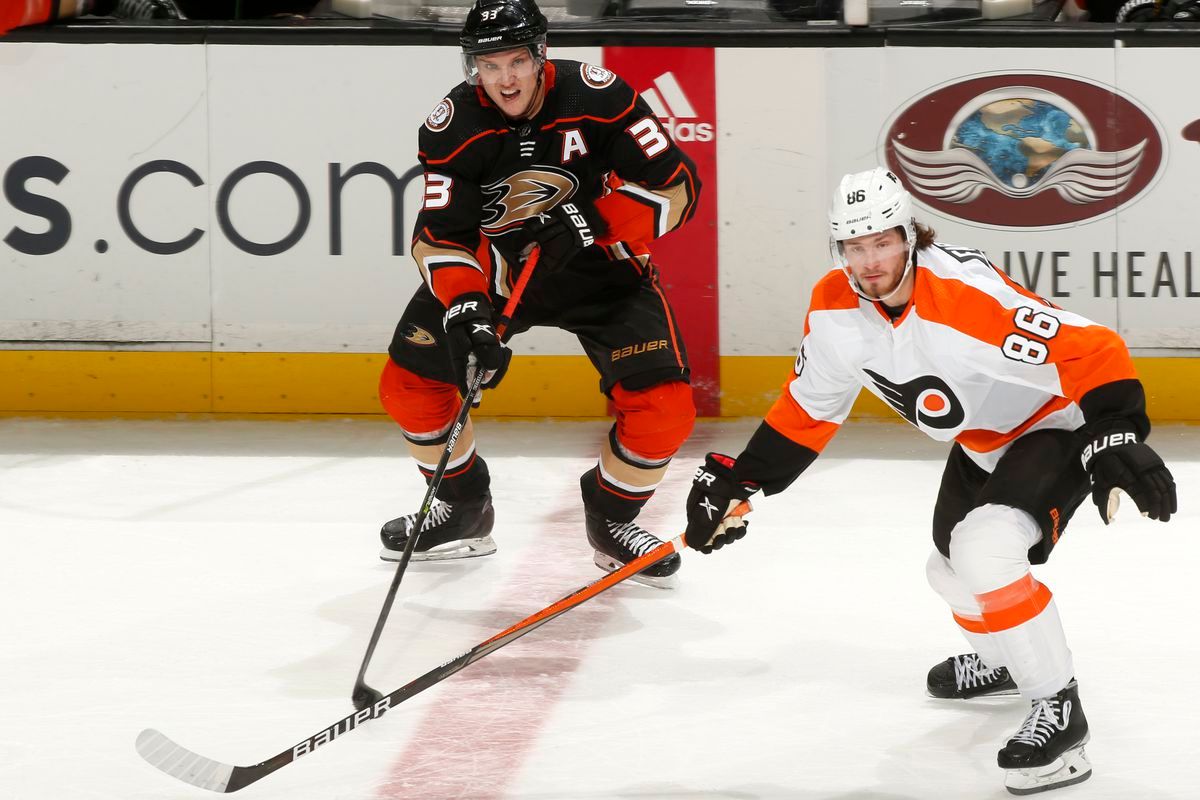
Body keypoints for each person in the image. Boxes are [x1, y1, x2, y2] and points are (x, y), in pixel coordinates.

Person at [682, 167, 1177, 793]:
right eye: (854, 247)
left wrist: (1116, 431)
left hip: (1051, 426)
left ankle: (1060, 712)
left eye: (882, 242)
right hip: (980, 442)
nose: (870, 261)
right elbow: (811, 406)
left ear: (909, 235)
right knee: (946, 571)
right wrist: (741, 481)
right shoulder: (836, 309)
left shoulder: (962, 296)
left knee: (985, 551)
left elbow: (1093, 347)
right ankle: (1002, 661)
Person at [376, 0, 702, 589]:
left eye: (517, 61)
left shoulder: (597, 96)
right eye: (489, 63)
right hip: (499, 274)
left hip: (600, 268)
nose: (505, 78)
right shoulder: (452, 126)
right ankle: (463, 509)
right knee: (409, 388)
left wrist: (594, 221)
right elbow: (440, 238)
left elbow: (679, 188)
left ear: (540, 54)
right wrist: (468, 306)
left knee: (665, 410)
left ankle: (612, 520)